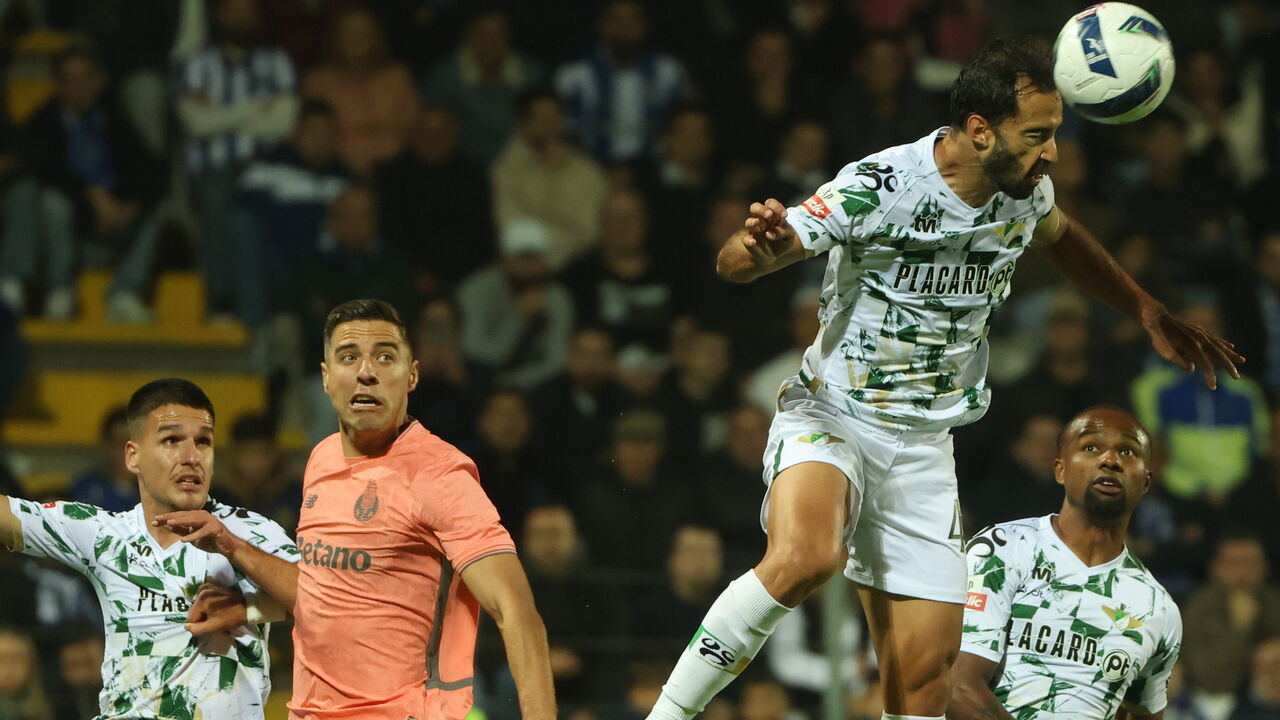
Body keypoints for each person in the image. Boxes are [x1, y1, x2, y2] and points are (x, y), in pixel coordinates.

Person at [644, 39, 1242, 720]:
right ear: (981, 131)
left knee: (926, 678)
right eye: (1037, 136)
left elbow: (1063, 236)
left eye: (1055, 135)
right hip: (833, 414)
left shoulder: (1023, 195)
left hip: (925, 448)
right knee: (807, 557)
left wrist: (1145, 307)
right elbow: (736, 262)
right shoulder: (881, 185)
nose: (1051, 154)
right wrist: (759, 248)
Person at [290, 299, 556, 719]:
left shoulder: (440, 476)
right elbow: (322, 589)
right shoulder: (319, 459)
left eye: (385, 356)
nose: (366, 371)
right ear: (326, 378)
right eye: (348, 357)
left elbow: (517, 612)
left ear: (412, 375)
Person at [0, 378, 300, 719]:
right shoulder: (104, 534)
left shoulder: (252, 532)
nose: (191, 457)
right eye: (171, 440)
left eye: (203, 442)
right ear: (133, 456)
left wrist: (236, 560)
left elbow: (328, 602)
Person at [949, 407, 1182, 719]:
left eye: (1127, 451)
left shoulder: (1157, 608)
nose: (1110, 460)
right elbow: (957, 684)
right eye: (1091, 447)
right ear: (1060, 470)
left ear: (1146, 482)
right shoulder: (1004, 549)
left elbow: (1141, 712)